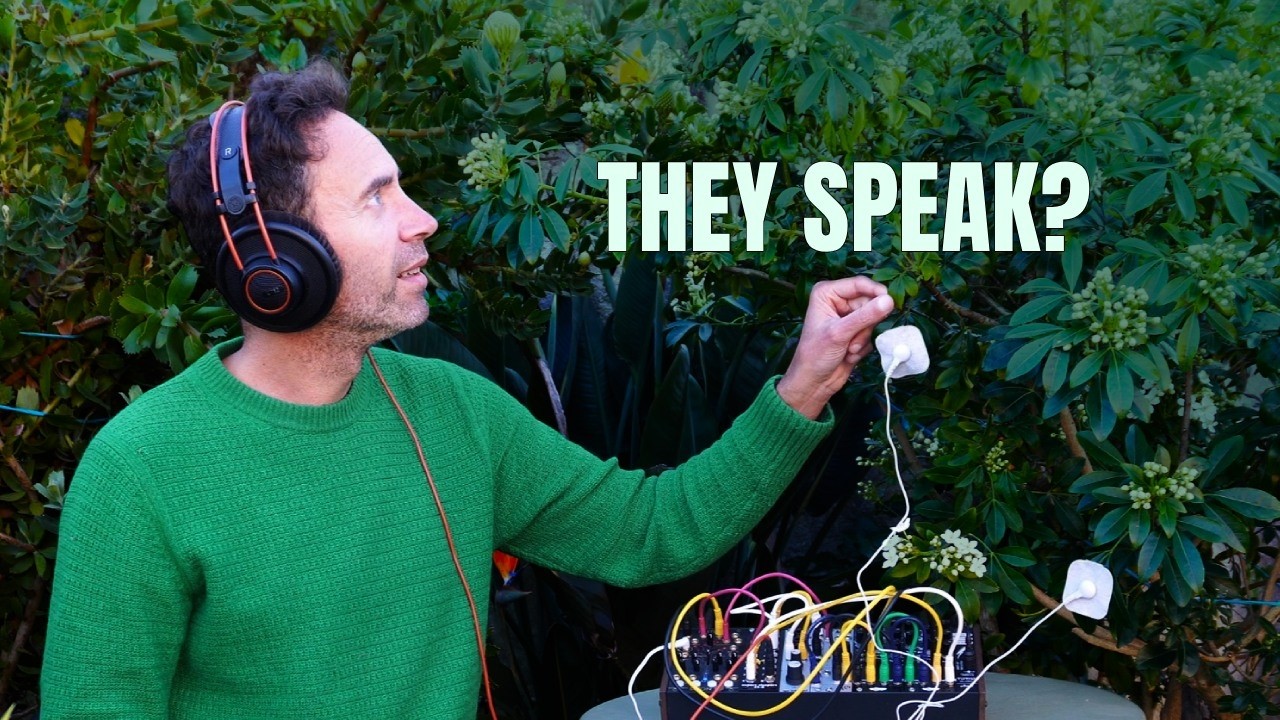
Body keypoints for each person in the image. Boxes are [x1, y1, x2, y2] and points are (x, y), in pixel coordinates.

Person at [40, 59, 895, 719]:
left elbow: (651, 532)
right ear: (277, 262)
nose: (424, 221)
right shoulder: (142, 469)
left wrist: (802, 388)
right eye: (378, 199)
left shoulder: (453, 411)